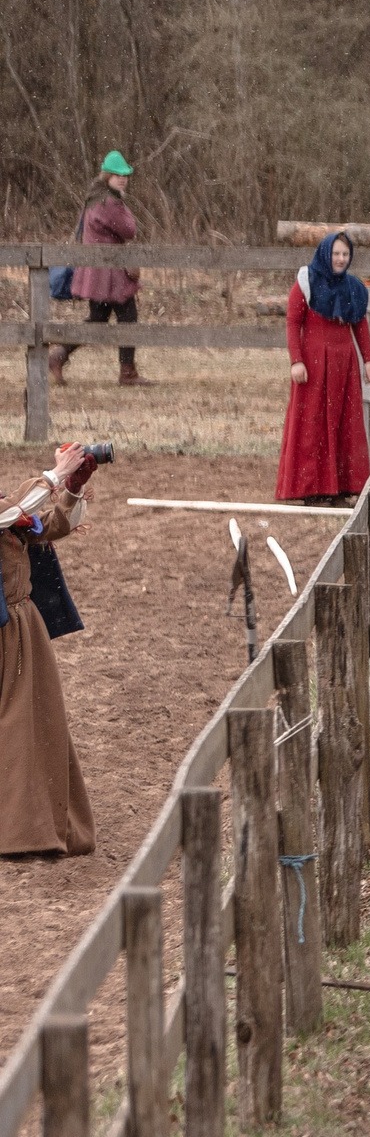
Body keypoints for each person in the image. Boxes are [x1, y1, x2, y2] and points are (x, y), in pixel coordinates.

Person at [0, 443, 99, 857]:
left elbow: (52, 525)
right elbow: (11, 512)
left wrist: (73, 488)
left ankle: (31, 828)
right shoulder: (8, 510)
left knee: (35, 723)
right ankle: (19, 832)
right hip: (8, 632)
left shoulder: (11, 510)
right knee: (16, 726)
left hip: (22, 628)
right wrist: (55, 474)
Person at [277, 232, 370, 505]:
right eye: (336, 254)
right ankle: (312, 488)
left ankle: (342, 487)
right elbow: (293, 322)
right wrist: (296, 360)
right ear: (326, 254)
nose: (341, 259)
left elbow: (359, 324)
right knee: (313, 422)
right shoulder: (306, 282)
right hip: (313, 365)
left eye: (345, 254)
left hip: (344, 365)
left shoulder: (353, 287)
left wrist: (368, 360)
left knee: (345, 424)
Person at [62, 151, 146, 386]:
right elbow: (129, 230)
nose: (122, 179)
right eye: (118, 175)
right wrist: (123, 205)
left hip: (98, 272)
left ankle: (58, 356)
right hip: (109, 273)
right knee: (128, 317)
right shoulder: (109, 202)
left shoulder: (94, 197)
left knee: (97, 319)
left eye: (125, 175)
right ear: (107, 176)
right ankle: (127, 374)